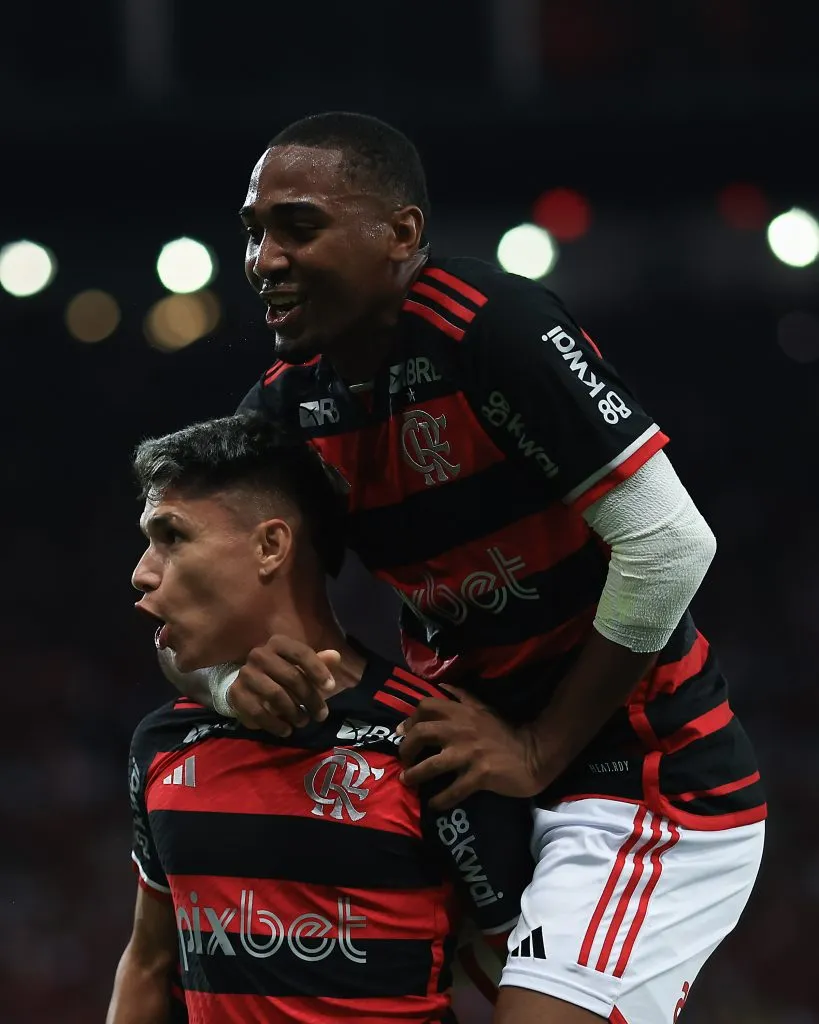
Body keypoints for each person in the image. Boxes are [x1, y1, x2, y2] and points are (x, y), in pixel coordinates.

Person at [173, 111, 765, 1023]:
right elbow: (181, 612)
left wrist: (538, 751)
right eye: (254, 232)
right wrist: (223, 682)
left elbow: (669, 545)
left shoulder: (490, 329)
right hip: (466, 781)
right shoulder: (287, 411)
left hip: (639, 779)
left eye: (298, 227)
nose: (264, 259)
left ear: (400, 234)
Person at [107, 413, 533, 1024]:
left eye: (171, 536)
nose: (142, 571)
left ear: (270, 547)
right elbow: (149, 961)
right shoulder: (163, 742)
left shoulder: (433, 741)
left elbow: (523, 963)